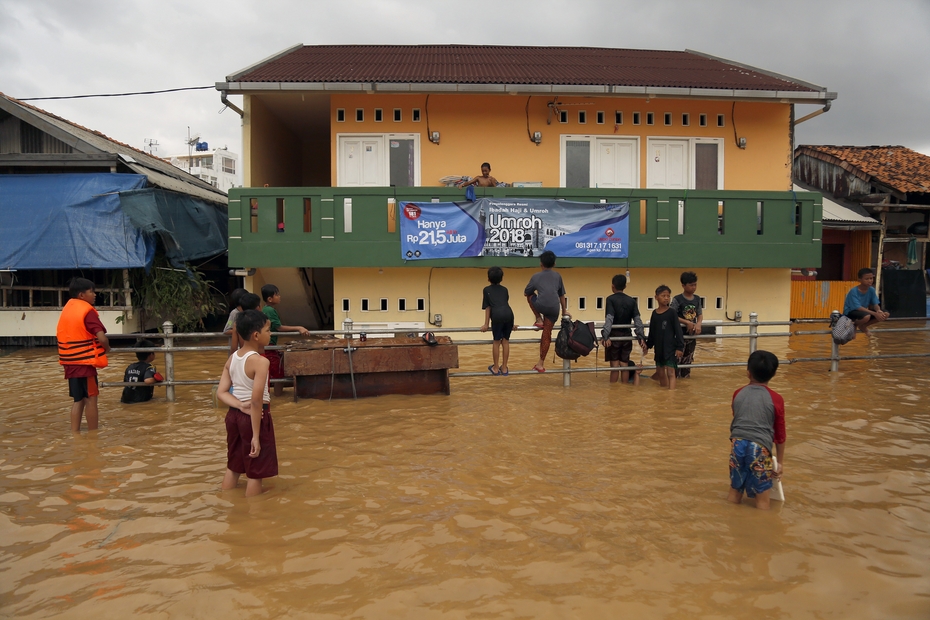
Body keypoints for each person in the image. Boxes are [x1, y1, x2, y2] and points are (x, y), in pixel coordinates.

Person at [217, 309, 278, 497]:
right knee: (255, 471)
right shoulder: (260, 362)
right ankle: (254, 513)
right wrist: (256, 436)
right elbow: (256, 399)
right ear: (256, 335)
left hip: (234, 416)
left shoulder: (233, 357)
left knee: (234, 465)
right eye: (268, 330)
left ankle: (227, 500)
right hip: (255, 417)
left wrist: (238, 405)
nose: (271, 334)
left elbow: (221, 392)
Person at [728, 350, 786, 510]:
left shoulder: (738, 394)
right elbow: (780, 434)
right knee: (762, 501)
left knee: (734, 493)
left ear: (748, 373)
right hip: (760, 449)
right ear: (773, 374)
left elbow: (739, 418)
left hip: (737, 444)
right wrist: (780, 463)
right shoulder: (776, 399)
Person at [57, 278, 110, 432]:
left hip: (70, 363)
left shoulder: (67, 310)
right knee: (91, 399)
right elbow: (101, 338)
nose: (94, 295)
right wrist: (107, 349)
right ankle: (93, 436)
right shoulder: (87, 312)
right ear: (81, 295)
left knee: (78, 400)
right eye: (91, 292)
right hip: (85, 364)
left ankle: (75, 435)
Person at [261, 284, 310, 396]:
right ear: (270, 298)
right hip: (269, 345)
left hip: (269, 345)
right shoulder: (270, 310)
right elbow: (279, 327)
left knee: (272, 371)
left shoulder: (266, 309)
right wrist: (298, 327)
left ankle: (273, 396)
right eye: (277, 295)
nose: (280, 297)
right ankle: (277, 396)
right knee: (278, 372)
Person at [524, 250, 567, 373]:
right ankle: (540, 363)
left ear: (541, 264)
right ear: (554, 264)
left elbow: (526, 293)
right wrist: (564, 311)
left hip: (541, 306)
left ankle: (538, 319)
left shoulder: (536, 276)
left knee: (530, 296)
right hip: (554, 309)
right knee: (546, 334)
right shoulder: (558, 276)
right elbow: (561, 295)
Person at [601, 274, 646, 385]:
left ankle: (613, 390)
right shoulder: (631, 301)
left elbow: (609, 319)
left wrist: (605, 335)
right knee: (624, 364)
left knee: (615, 366)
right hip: (627, 336)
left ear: (612, 286)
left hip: (614, 336)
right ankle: (624, 388)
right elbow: (637, 321)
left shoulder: (610, 299)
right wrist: (641, 336)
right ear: (625, 286)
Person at [645, 285, 684, 389]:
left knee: (671, 373)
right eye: (663, 295)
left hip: (670, 347)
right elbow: (652, 332)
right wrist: (647, 345)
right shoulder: (654, 313)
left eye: (668, 296)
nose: (666, 298)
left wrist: (680, 347)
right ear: (656, 297)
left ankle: (671, 395)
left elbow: (678, 330)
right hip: (659, 348)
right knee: (660, 372)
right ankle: (663, 393)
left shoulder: (672, 312)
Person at [480, 266, 515, 376]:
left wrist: (486, 324)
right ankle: (504, 368)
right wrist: (512, 324)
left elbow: (488, 307)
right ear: (502, 278)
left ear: (488, 279)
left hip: (497, 316)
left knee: (496, 342)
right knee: (505, 341)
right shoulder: (505, 290)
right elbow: (505, 305)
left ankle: (495, 367)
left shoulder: (486, 290)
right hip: (509, 315)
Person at [671, 271, 703, 378]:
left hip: (691, 335)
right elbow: (672, 315)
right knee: (676, 360)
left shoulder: (697, 299)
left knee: (688, 361)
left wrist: (698, 324)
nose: (694, 287)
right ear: (683, 285)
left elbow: (700, 314)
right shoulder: (677, 299)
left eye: (695, 284)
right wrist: (687, 322)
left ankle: (685, 383)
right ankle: (674, 382)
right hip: (678, 335)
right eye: (691, 285)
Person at [843, 268, 890, 335]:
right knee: (866, 316)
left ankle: (863, 326)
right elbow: (858, 307)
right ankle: (854, 326)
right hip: (851, 313)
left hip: (863, 312)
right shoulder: (854, 291)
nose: (870, 281)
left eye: (871, 278)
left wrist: (878, 311)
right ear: (860, 280)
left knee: (886, 314)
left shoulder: (871, 290)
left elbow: (875, 303)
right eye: (867, 279)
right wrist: (874, 314)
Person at [120, 339, 163, 403]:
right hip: (140, 399)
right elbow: (148, 380)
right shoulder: (149, 367)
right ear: (151, 355)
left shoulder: (130, 366)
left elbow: (125, 381)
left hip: (125, 399)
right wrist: (157, 379)